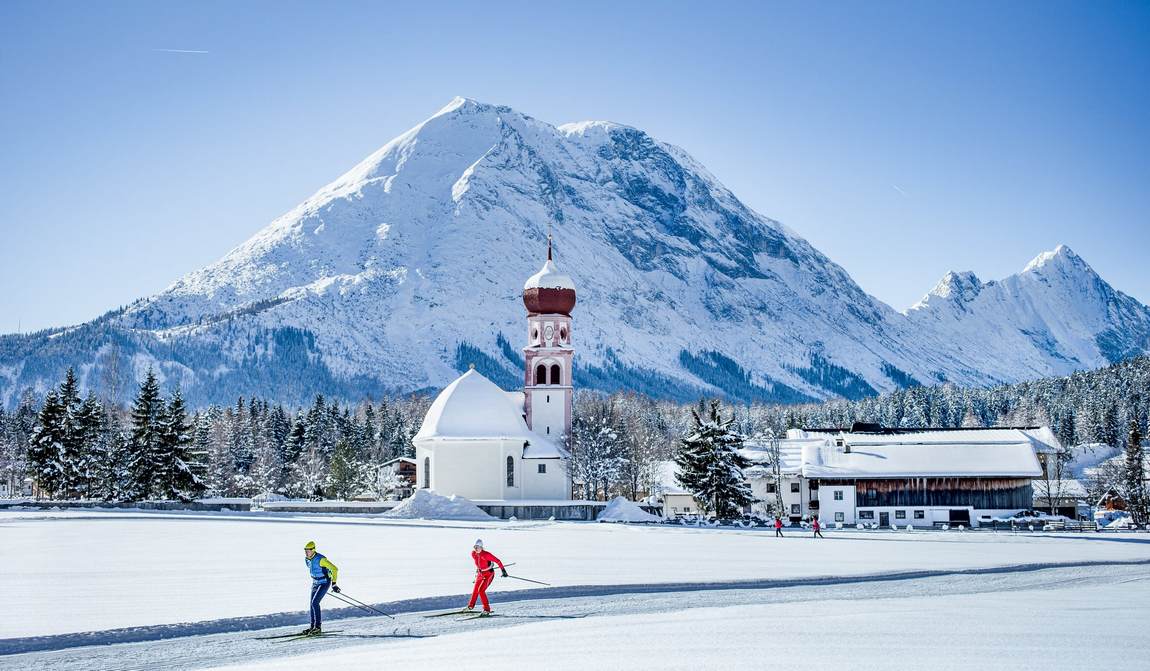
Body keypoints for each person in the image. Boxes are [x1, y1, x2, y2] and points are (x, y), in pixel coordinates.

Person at [303, 541, 339, 635]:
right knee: (312, 604)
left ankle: (318, 627)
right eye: (305, 551)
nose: (307, 552)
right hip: (315, 583)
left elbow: (334, 569)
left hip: (324, 582)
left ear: (313, 550)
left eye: (308, 550)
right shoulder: (307, 559)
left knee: (315, 602)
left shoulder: (321, 559)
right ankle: (312, 627)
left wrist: (334, 584)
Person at [467, 539, 507, 614]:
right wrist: (480, 568)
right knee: (475, 589)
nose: (476, 548)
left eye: (478, 547)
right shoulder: (473, 554)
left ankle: (487, 609)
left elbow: (497, 561)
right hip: (480, 573)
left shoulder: (486, 554)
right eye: (475, 547)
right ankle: (470, 606)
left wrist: (503, 571)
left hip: (488, 574)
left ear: (481, 547)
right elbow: (479, 563)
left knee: (481, 590)